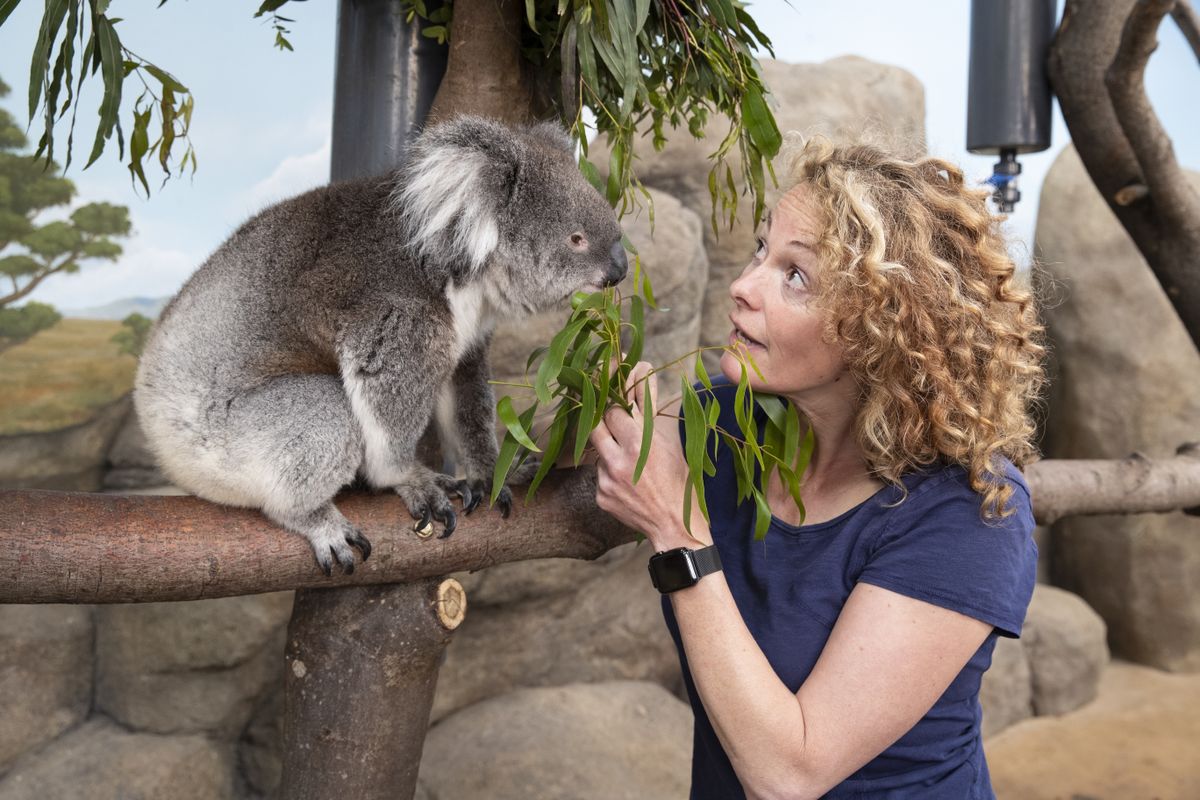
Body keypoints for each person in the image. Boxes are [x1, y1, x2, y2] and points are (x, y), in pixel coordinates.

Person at [589, 134, 1045, 799]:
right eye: (760, 251)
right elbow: (619, 458)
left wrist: (677, 533)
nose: (742, 288)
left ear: (882, 328)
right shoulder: (728, 422)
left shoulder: (968, 515)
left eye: (794, 275)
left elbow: (788, 774)